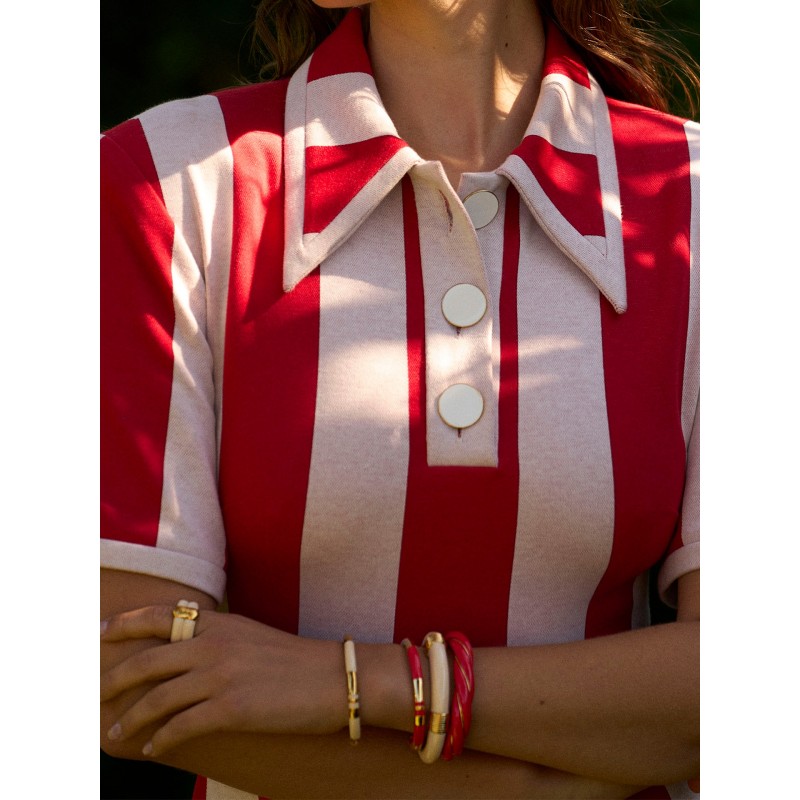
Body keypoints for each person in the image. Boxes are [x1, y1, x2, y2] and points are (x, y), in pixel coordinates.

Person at [100, 1, 700, 798]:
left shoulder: (707, 203)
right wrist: (524, 787)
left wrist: (354, 684)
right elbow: (134, 677)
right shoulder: (158, 183)